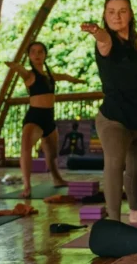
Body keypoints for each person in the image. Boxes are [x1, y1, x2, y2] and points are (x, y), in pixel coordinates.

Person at [81, 0, 137, 225]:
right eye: (111, 11)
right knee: (115, 166)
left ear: (130, 14)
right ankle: (114, 223)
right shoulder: (107, 42)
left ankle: (136, 212)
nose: (117, 16)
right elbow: (102, 38)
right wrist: (96, 30)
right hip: (115, 119)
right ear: (104, 16)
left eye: (122, 11)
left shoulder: (134, 47)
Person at [5, 41, 86, 197]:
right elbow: (21, 71)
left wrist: (77, 81)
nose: (37, 54)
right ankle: (27, 186)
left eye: (40, 51)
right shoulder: (29, 75)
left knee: (52, 153)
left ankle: (57, 179)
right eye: (33, 52)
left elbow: (63, 76)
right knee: (26, 149)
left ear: (45, 55)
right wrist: (16, 67)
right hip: (34, 117)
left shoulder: (49, 75)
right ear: (29, 56)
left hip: (49, 117)